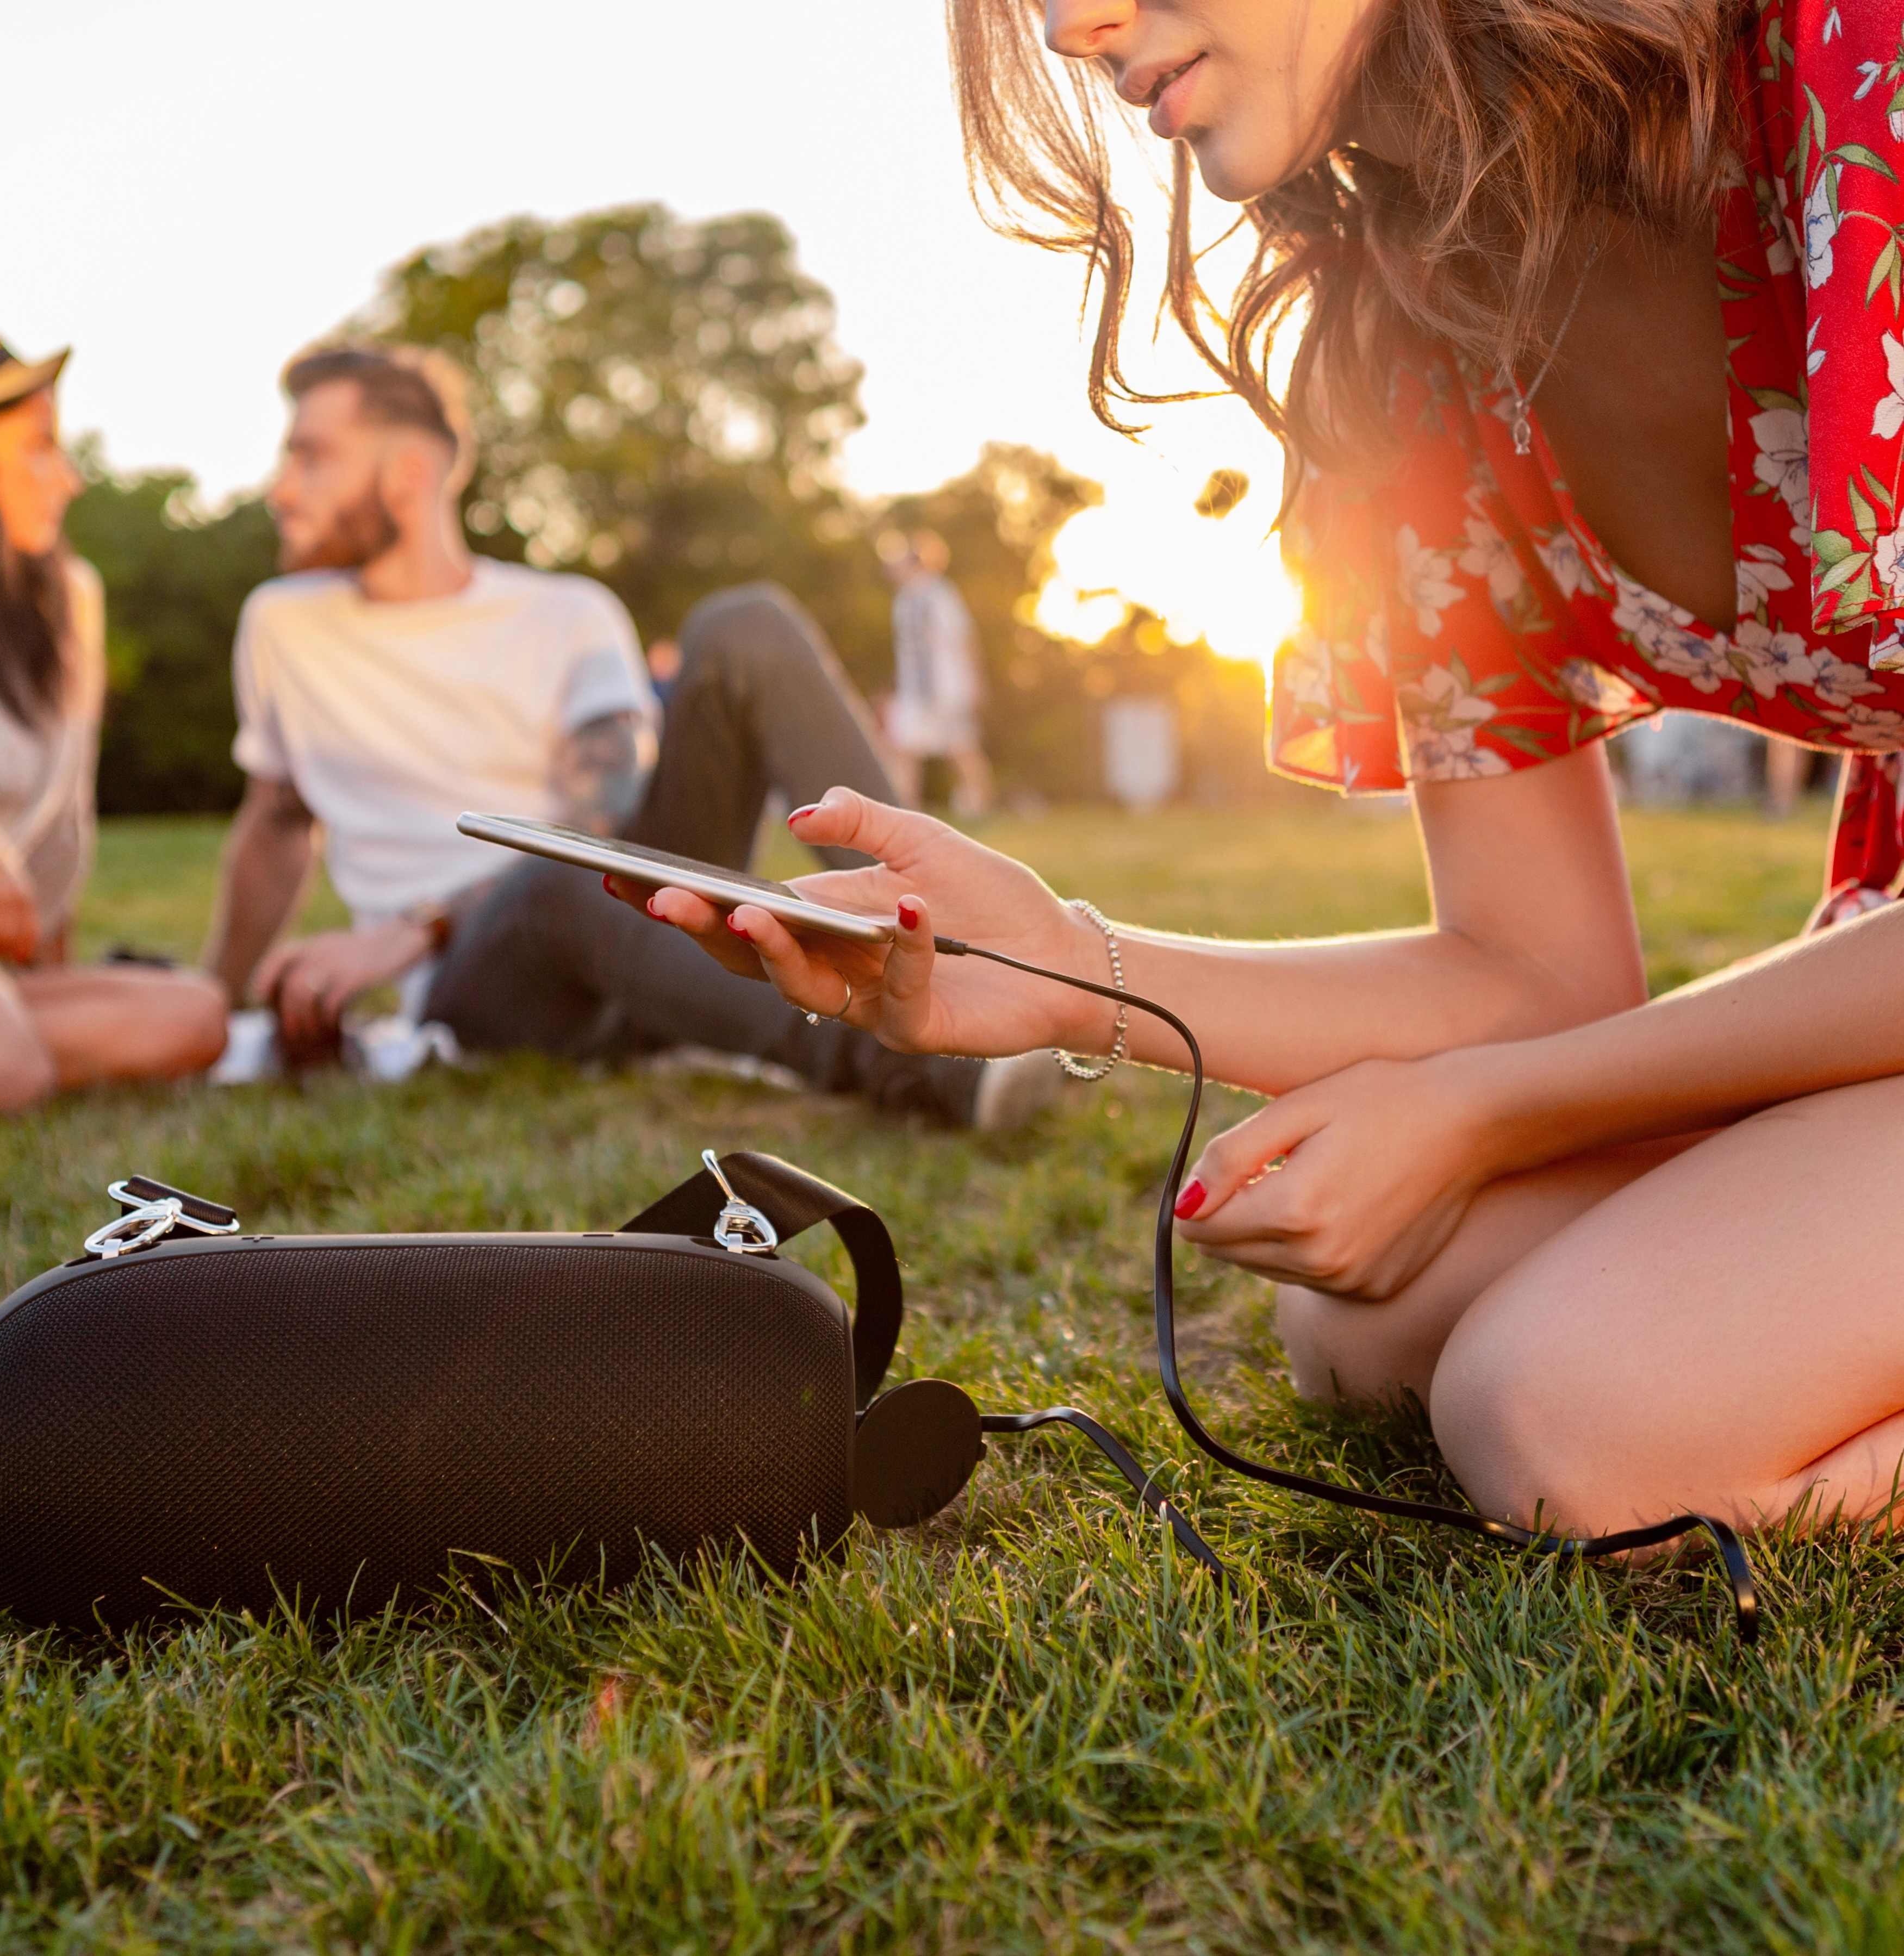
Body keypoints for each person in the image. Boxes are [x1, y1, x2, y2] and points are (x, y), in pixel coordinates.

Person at [636, 0, 1904, 1548]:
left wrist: (1491, 1109)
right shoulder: (1417, 339)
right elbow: (1535, 967)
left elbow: (1531, 1054)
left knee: (1567, 1420)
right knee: (1367, 1323)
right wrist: (1062, 968)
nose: (1072, 26)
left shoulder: (1852, 85)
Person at [203, 342, 1055, 1130]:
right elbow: (275, 822)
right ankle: (918, 1063)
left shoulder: (567, 613)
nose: (281, 488)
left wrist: (414, 925)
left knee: (744, 626)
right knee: (550, 882)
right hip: (490, 987)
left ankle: (963, 960)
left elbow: (599, 829)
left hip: (618, 910)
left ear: (410, 470)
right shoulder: (284, 625)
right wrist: (212, 1004)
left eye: (311, 456)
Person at [0, 325, 226, 1109]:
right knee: (7, 1069)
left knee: (194, 1016)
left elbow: (65, 809)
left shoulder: (71, 599)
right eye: (38, 448)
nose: (68, 479)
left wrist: (47, 952)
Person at [879, 530, 993, 815]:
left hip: (946, 689)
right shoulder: (904, 601)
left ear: (915, 562)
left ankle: (981, 807)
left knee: (961, 749)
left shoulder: (940, 595)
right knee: (903, 749)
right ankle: (904, 810)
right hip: (913, 693)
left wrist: (976, 682)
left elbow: (965, 638)